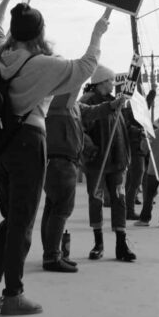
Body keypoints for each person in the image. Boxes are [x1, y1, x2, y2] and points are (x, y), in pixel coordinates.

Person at [0, 0, 108, 316]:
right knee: (22, 222)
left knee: (12, 218)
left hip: (2, 144)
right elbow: (86, 67)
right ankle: (13, 295)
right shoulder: (43, 64)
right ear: (40, 32)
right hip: (29, 141)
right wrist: (97, 33)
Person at [40, 87, 118, 272]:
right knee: (61, 208)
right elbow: (78, 80)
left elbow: (92, 111)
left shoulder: (71, 104)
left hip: (60, 161)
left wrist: (112, 105)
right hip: (61, 161)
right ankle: (52, 256)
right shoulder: (59, 100)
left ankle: (51, 253)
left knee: (53, 207)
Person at [80, 66, 138, 262]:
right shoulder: (86, 101)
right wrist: (91, 149)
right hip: (97, 162)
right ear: (101, 81)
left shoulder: (115, 102)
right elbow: (79, 130)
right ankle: (98, 243)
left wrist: (137, 134)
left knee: (119, 199)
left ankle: (121, 244)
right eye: (110, 81)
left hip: (117, 160)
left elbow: (123, 127)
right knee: (96, 200)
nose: (112, 85)